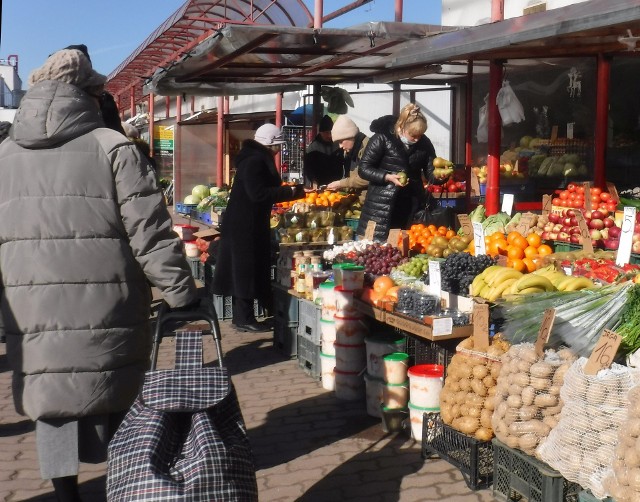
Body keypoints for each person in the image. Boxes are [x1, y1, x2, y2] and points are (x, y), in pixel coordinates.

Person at [0, 46, 200, 501]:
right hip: (107, 304)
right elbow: (149, 231)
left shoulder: (4, 155)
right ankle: (126, 484)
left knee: (51, 404)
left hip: (30, 311)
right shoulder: (113, 148)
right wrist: (180, 294)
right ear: (91, 93)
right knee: (114, 401)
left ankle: (66, 493)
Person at [212, 123, 305, 333]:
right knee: (245, 270)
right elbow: (259, 194)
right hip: (245, 225)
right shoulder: (255, 162)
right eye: (278, 146)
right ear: (270, 144)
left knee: (243, 269)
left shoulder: (252, 158)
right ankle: (244, 319)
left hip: (246, 222)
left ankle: (244, 317)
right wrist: (291, 193)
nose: (280, 150)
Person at [356, 103, 439, 242]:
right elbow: (363, 168)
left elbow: (431, 172)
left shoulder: (424, 143)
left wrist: (440, 176)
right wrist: (387, 177)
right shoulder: (382, 138)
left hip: (410, 206)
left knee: (405, 247)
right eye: (413, 135)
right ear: (401, 127)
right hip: (380, 207)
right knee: (375, 250)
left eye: (420, 135)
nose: (417, 139)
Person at [326, 114, 369, 192]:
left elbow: (368, 178)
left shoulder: (368, 147)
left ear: (351, 136)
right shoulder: (349, 151)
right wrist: (340, 187)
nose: (340, 146)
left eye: (341, 141)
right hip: (356, 198)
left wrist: (341, 184)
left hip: (369, 200)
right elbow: (350, 179)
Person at [303, 114, 344, 188]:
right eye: (326, 133)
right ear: (320, 132)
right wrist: (313, 180)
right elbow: (308, 168)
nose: (329, 135)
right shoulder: (313, 147)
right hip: (320, 184)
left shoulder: (339, 144)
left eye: (330, 132)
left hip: (337, 184)